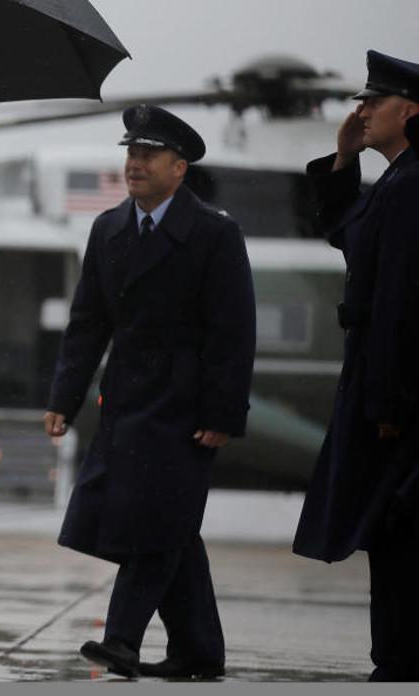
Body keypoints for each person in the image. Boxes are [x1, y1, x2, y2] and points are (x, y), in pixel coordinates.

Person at [43, 105, 256, 680]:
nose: (135, 164)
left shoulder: (214, 233)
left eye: (148, 155)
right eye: (131, 154)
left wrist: (222, 411)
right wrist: (64, 398)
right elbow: (88, 322)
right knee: (170, 522)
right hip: (126, 401)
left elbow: (234, 331)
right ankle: (198, 652)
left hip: (185, 403)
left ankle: (121, 640)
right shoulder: (108, 229)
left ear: (179, 168)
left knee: (156, 519)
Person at [292, 50, 419, 683]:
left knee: (398, 536)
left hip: (397, 401)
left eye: (375, 100)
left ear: (412, 110)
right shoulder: (397, 180)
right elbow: (351, 235)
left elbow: (398, 302)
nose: (362, 110)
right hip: (384, 392)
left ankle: (398, 664)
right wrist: (344, 160)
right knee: (388, 535)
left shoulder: (413, 185)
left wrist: (388, 404)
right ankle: (394, 661)